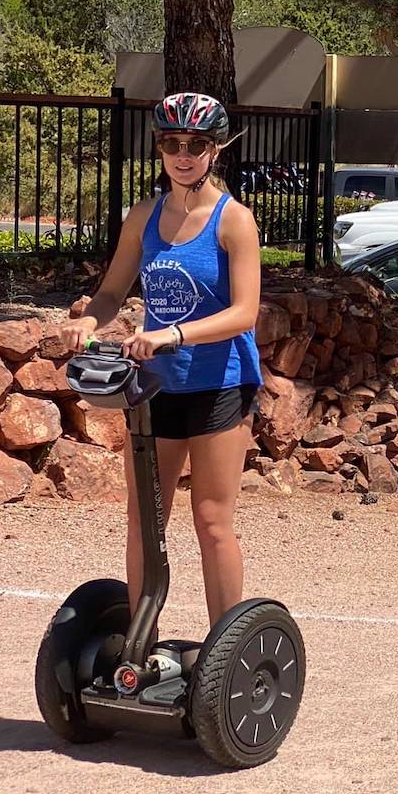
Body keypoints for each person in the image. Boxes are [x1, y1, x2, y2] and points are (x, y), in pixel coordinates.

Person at [57, 93, 263, 627]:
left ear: (215, 150)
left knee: (212, 519)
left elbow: (244, 313)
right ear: (160, 148)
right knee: (145, 518)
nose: (183, 154)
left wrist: (173, 333)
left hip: (221, 383)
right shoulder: (144, 216)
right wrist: (89, 319)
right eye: (173, 143)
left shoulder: (233, 221)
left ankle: (224, 653)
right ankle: (139, 640)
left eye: (196, 144)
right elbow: (111, 292)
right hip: (157, 386)